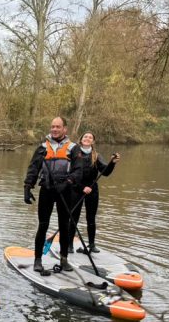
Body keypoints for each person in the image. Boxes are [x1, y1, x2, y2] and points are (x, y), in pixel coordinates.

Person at [23, 116, 84, 273]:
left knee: (64, 227)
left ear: (65, 129)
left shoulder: (73, 148)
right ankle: (38, 259)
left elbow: (79, 171)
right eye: (52, 127)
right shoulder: (43, 147)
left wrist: (67, 183)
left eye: (58, 127)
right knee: (43, 225)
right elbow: (33, 168)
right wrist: (28, 187)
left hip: (65, 191)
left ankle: (64, 260)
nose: (54, 129)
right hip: (47, 190)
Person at [70, 131, 120, 254]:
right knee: (73, 217)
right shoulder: (74, 153)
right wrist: (82, 188)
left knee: (91, 218)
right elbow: (70, 174)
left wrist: (112, 163)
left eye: (90, 137)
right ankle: (69, 244)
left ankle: (91, 245)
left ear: (93, 142)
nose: (87, 138)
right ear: (81, 139)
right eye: (85, 136)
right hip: (76, 188)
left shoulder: (96, 156)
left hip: (92, 190)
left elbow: (105, 172)